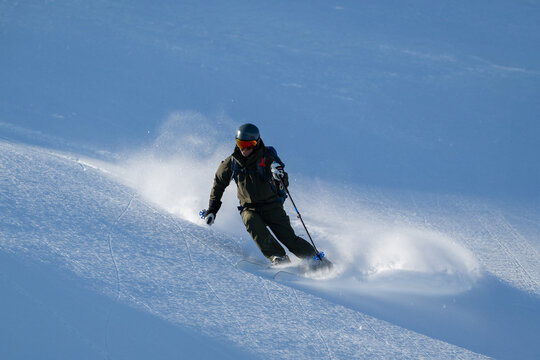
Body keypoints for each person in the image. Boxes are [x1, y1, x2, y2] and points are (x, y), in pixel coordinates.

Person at [201, 123, 327, 267]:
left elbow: (283, 181)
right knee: (251, 221)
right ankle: (278, 256)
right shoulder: (232, 162)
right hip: (249, 208)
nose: (244, 148)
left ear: (257, 143)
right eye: (240, 143)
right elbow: (219, 183)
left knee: (289, 239)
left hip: (272, 205)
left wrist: (279, 175)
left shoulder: (267, 158)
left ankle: (317, 261)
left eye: (249, 144)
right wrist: (212, 209)